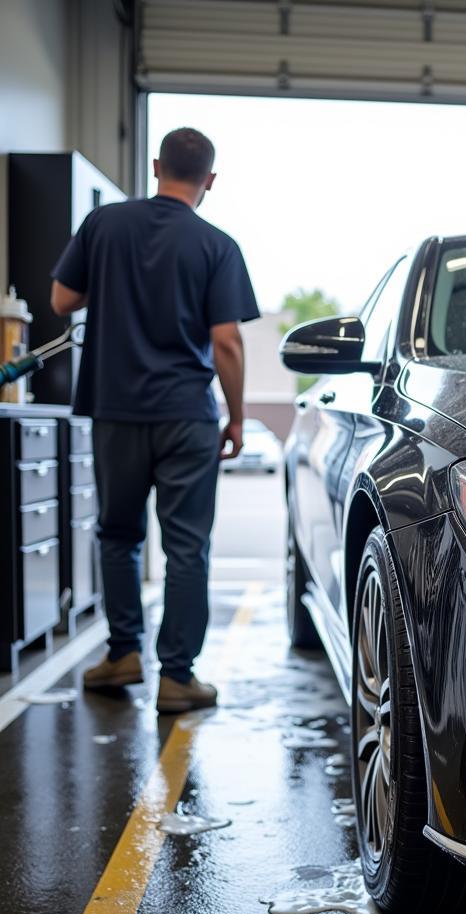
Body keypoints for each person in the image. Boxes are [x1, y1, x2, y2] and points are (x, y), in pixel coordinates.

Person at [50, 127, 259, 713]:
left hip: (115, 410)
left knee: (118, 535)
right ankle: (177, 677)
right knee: (187, 547)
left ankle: (123, 654)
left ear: (155, 165)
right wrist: (236, 420)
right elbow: (228, 343)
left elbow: (62, 301)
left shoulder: (104, 226)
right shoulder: (217, 245)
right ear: (209, 181)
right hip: (187, 416)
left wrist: (113, 284)